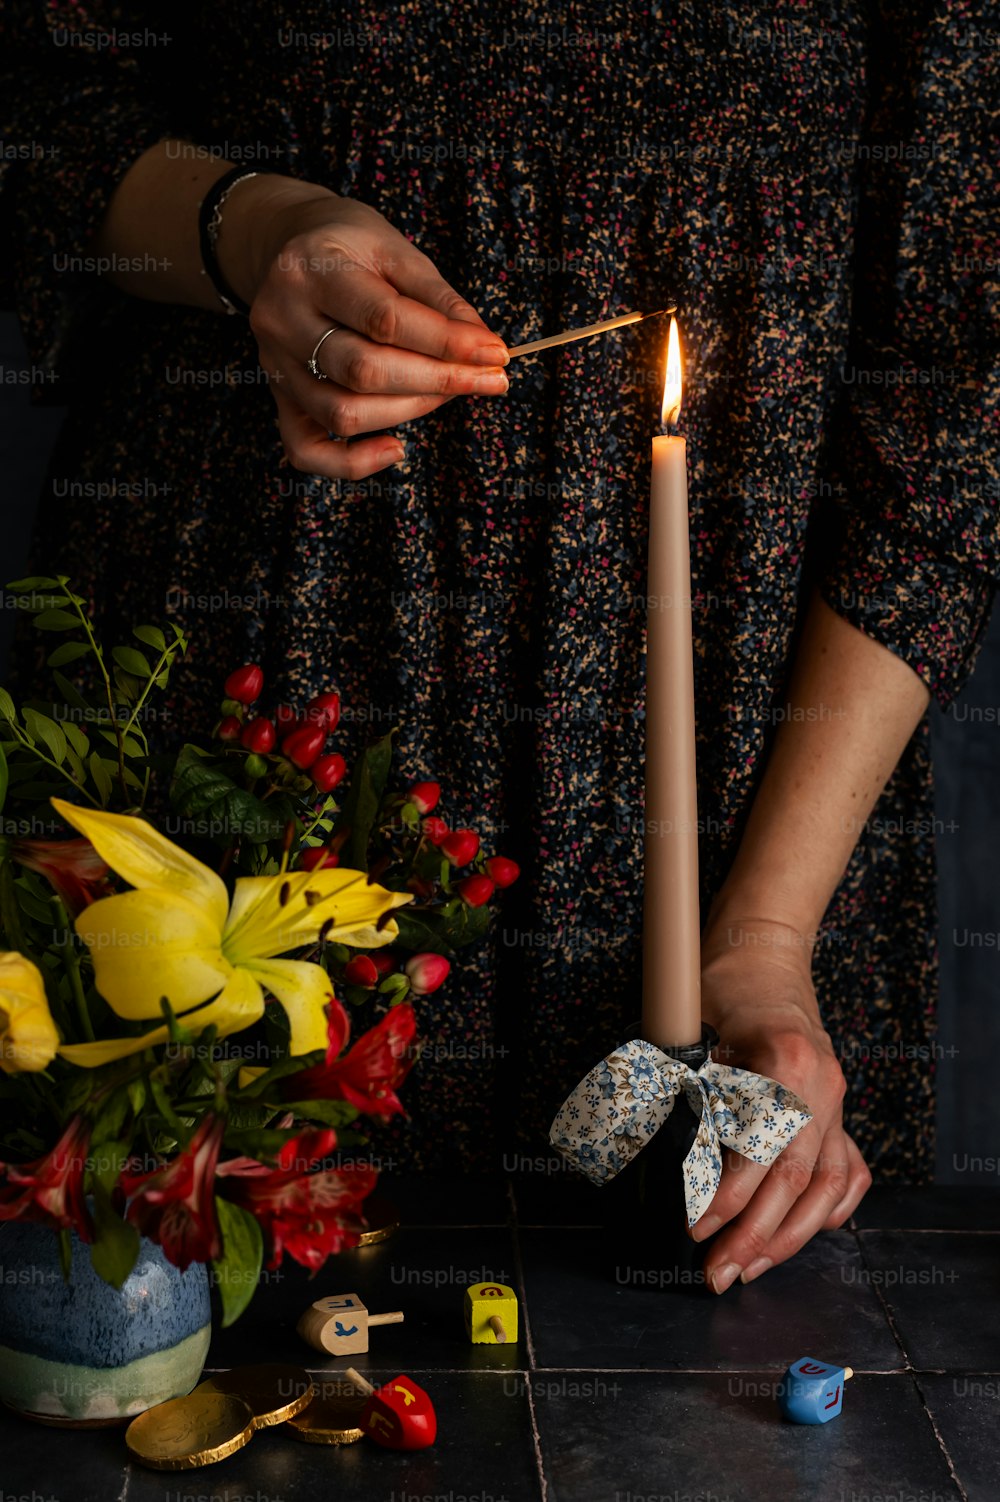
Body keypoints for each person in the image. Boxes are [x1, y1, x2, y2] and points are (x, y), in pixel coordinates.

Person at [2, 2, 996, 1295]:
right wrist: (251, 231)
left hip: (757, 820)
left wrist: (761, 936)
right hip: (254, 745)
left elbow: (957, 396)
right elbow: (41, 117)